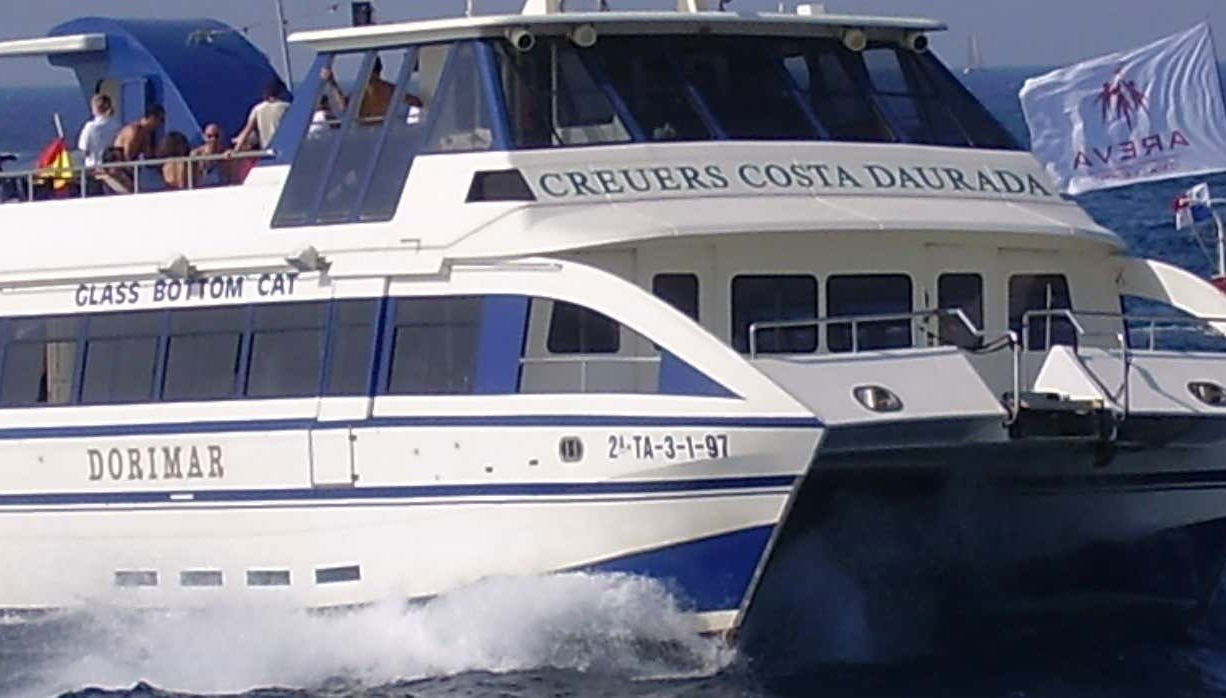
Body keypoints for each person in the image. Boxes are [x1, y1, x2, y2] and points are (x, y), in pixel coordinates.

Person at [321, 57, 422, 122]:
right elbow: (344, 106)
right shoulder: (362, 93)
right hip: (368, 132)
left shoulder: (389, 90)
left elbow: (416, 102)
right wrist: (332, 82)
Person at [233, 78, 290, 150]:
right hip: (285, 147)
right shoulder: (287, 107)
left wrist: (236, 149)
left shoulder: (258, 108)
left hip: (266, 149)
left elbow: (247, 130)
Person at [77, 94, 121, 168]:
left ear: (96, 108)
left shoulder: (90, 126)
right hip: (112, 168)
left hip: (94, 168)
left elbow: (84, 150)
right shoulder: (117, 126)